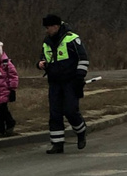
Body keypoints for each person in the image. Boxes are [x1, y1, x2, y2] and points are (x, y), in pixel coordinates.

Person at [37, 14, 89, 154]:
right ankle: (57, 144)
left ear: (56, 26)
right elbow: (43, 57)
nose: (47, 30)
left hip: (71, 82)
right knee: (55, 113)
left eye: (48, 27)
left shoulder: (72, 39)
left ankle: (81, 132)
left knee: (70, 111)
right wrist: (40, 64)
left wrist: (79, 78)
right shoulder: (47, 41)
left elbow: (83, 59)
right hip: (54, 83)